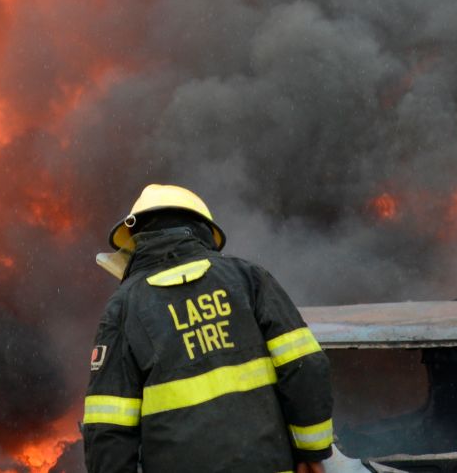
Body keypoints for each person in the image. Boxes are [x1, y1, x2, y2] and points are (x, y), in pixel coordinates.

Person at [83, 184, 333, 473]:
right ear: (202, 229)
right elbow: (306, 367)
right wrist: (311, 452)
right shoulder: (247, 278)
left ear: (136, 240)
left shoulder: (124, 306)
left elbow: (108, 426)